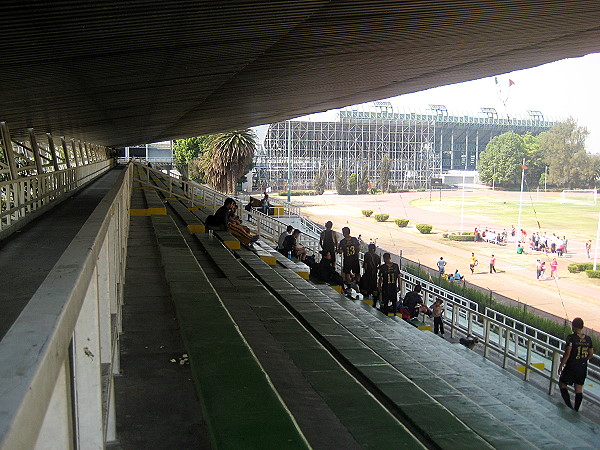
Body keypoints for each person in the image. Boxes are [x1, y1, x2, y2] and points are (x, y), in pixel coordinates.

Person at [558, 317, 595, 411]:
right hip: (582, 367)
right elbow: (591, 354)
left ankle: (569, 405)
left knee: (562, 383)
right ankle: (576, 410)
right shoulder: (588, 339)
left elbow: (567, 354)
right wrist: (583, 359)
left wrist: (561, 365)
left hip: (571, 366)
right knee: (579, 388)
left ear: (573, 326)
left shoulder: (571, 338)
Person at [337, 226, 361, 291]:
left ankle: (349, 286)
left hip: (347, 259)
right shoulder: (354, 239)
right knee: (357, 272)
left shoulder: (342, 242)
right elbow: (358, 248)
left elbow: (340, 251)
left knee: (347, 273)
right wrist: (356, 253)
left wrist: (338, 250)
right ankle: (356, 283)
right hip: (355, 258)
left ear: (344, 233)